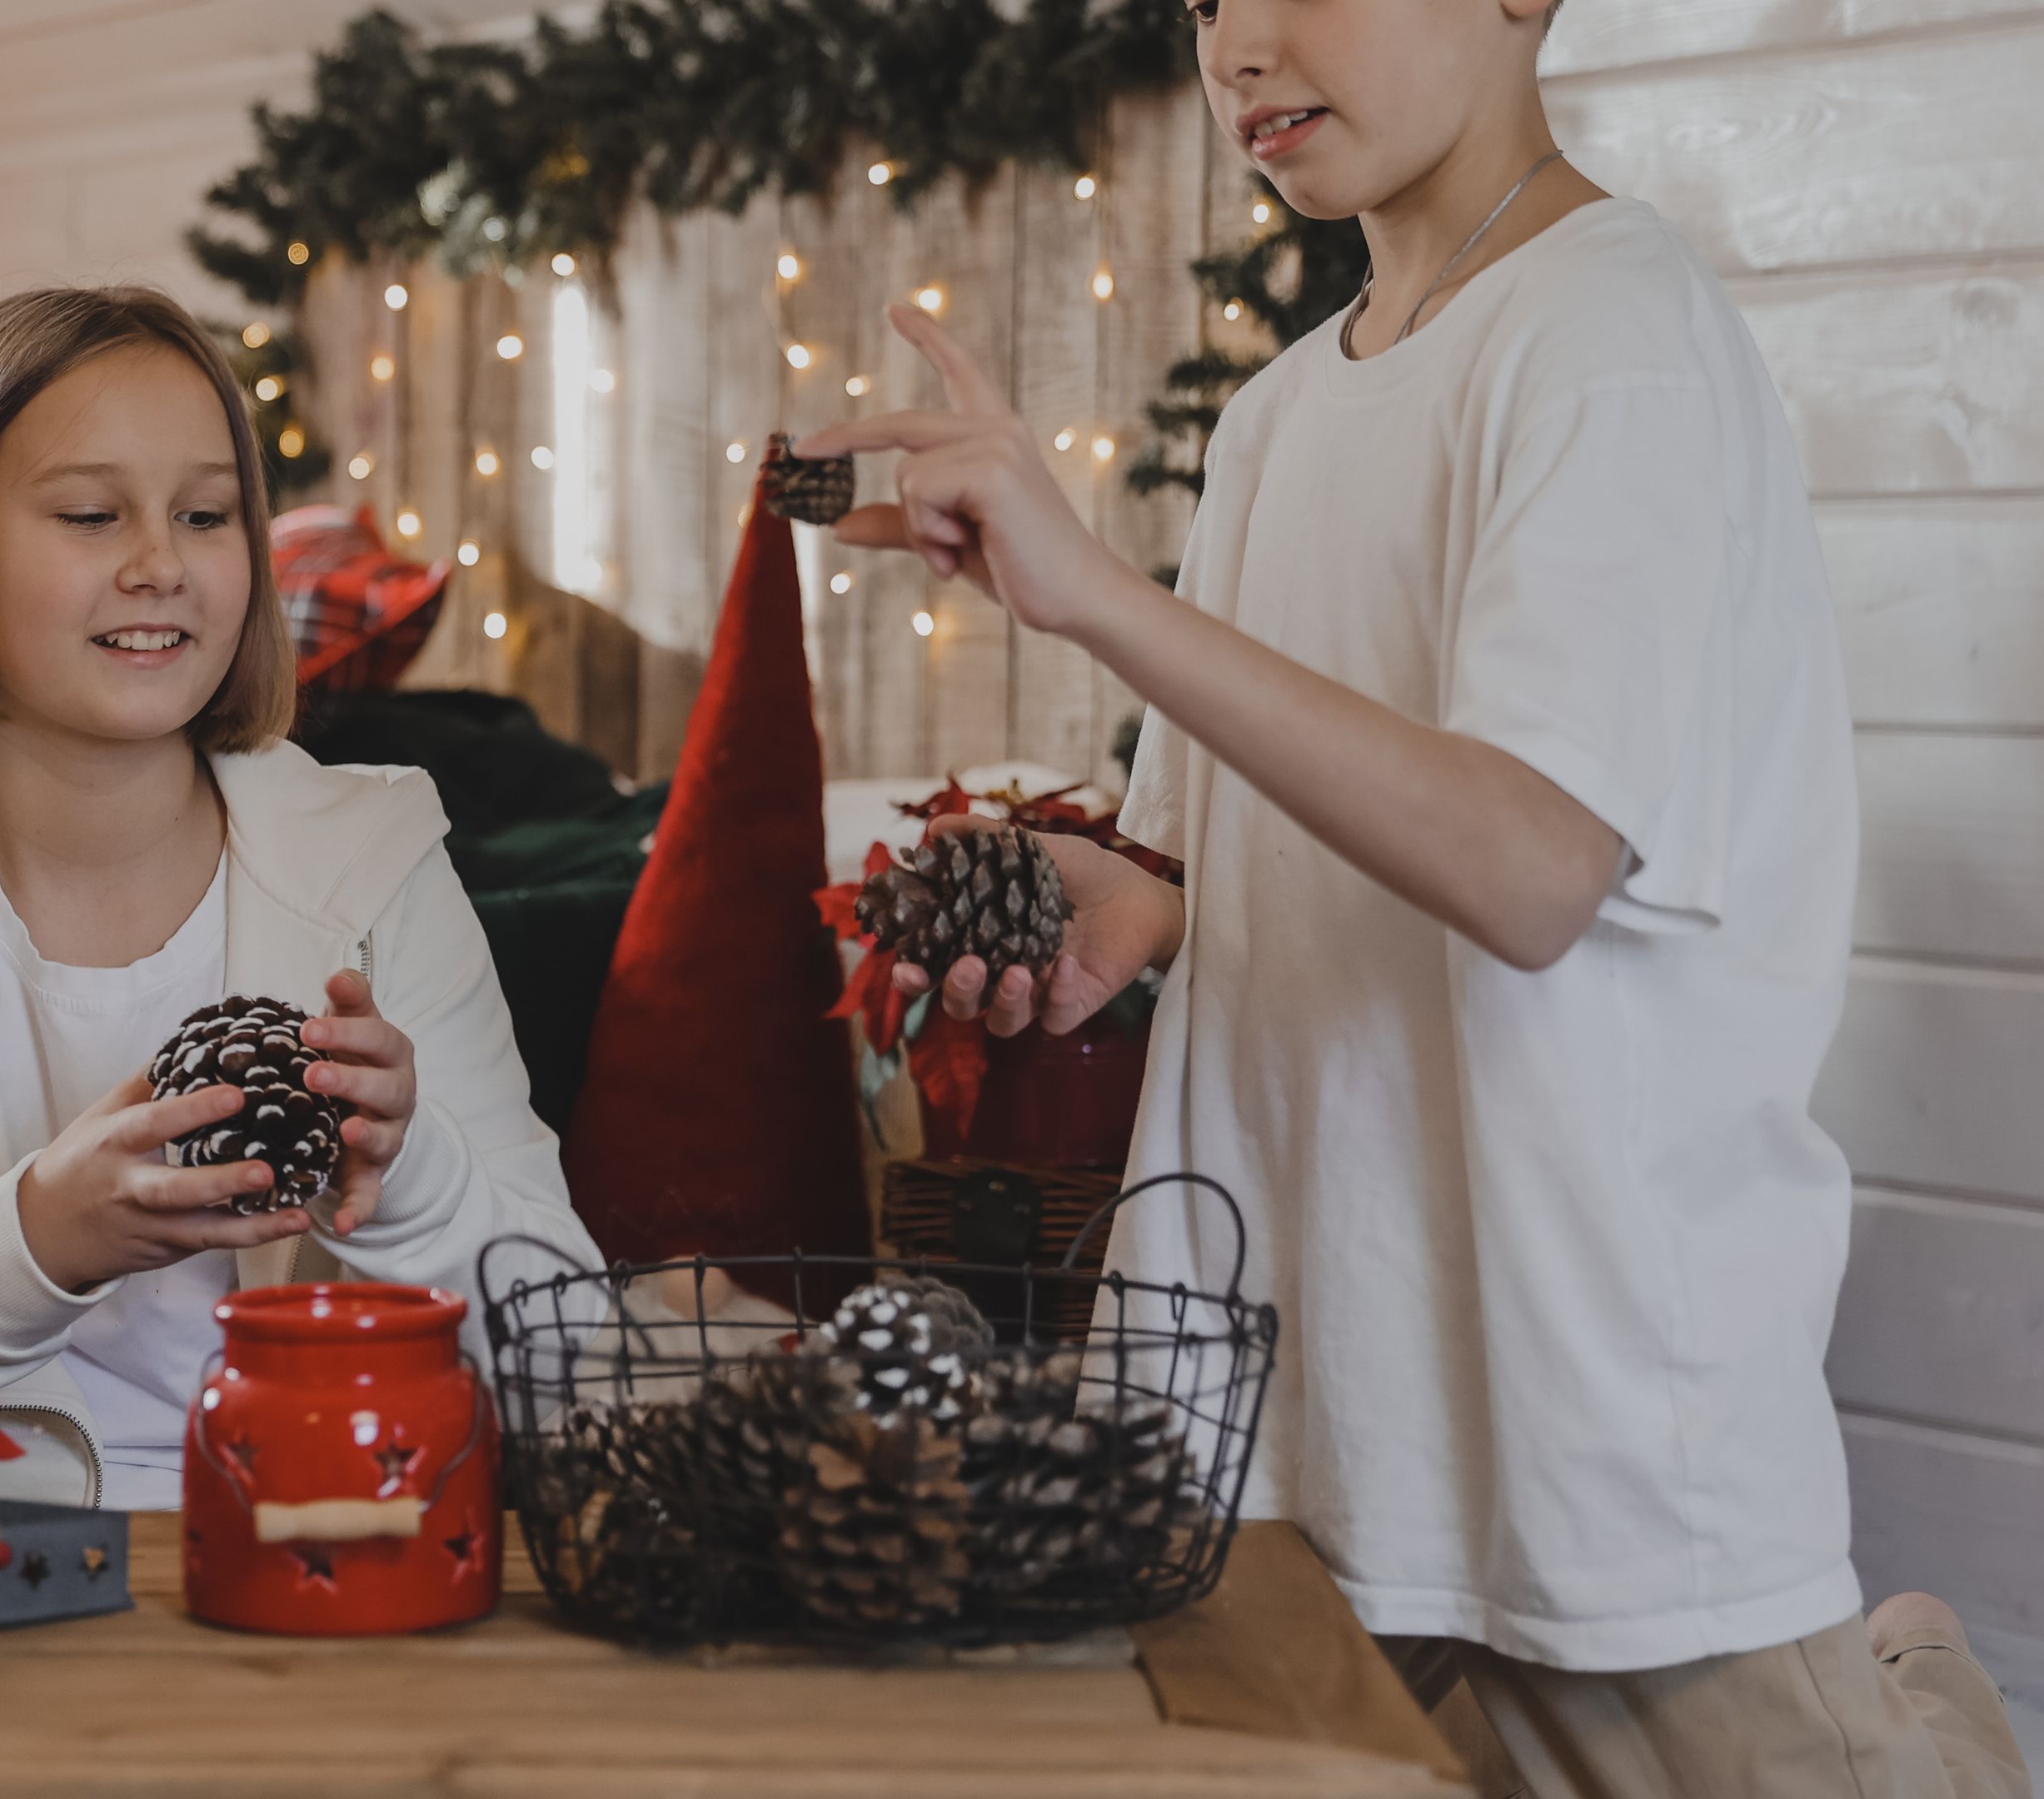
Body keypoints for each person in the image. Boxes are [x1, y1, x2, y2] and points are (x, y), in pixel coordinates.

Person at [800, 0, 2031, 1787]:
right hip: (1305, 1421)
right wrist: (1110, 905)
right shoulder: (1283, 416)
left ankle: (1924, 1692)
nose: (1239, 45)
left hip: (1586, 1434)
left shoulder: (1614, 333)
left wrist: (1095, 594)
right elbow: (1219, 868)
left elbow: (1531, 865)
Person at [0, 285, 600, 1510]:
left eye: (207, 514)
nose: (161, 564)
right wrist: (38, 1244)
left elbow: (575, 1364)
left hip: (333, 1549)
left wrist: (411, 1173)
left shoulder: (372, 866)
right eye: (90, 514)